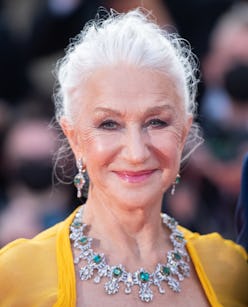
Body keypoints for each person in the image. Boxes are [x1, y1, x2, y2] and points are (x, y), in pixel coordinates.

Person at [0, 8, 247, 307]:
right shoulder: (14, 278)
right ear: (74, 138)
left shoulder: (232, 271)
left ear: (183, 133)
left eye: (157, 122)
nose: (136, 152)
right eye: (109, 124)